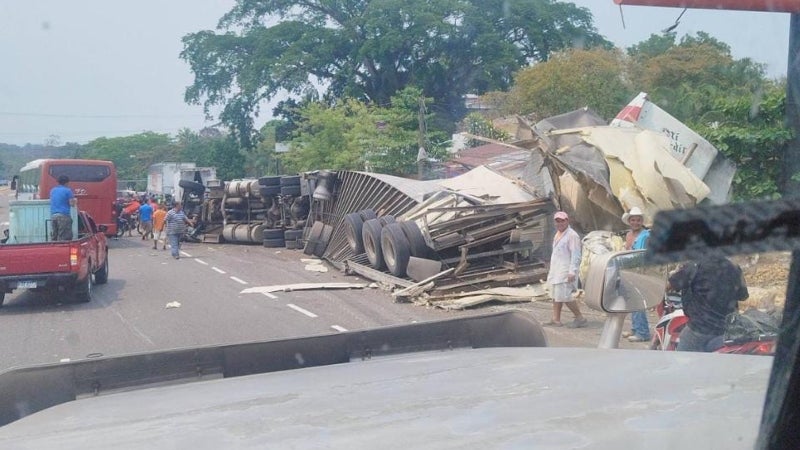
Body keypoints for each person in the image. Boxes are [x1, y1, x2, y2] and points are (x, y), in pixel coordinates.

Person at [668, 254, 749, 352]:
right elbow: (743, 296)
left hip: (700, 329)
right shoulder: (734, 267)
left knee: (679, 363)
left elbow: (671, 285)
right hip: (728, 329)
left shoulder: (694, 265)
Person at [544, 211, 588, 328]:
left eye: (562, 220)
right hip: (556, 269)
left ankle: (580, 317)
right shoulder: (557, 234)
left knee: (565, 296)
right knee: (555, 295)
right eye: (557, 221)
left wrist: (572, 271)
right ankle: (556, 318)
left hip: (565, 270)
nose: (560, 223)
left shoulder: (572, 235)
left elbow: (576, 255)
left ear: (567, 221)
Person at [621, 207, 652, 343]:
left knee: (639, 302)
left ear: (641, 221)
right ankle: (635, 328)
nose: (635, 222)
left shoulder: (646, 236)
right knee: (632, 301)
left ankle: (642, 332)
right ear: (629, 221)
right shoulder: (628, 235)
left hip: (641, 271)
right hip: (630, 270)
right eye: (633, 220)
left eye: (638, 220)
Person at [50, 175, 76, 241]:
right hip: (64, 216)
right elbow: (72, 204)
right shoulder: (68, 191)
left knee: (54, 237)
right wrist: (75, 201)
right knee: (64, 238)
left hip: (54, 216)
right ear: (67, 182)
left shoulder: (53, 190)